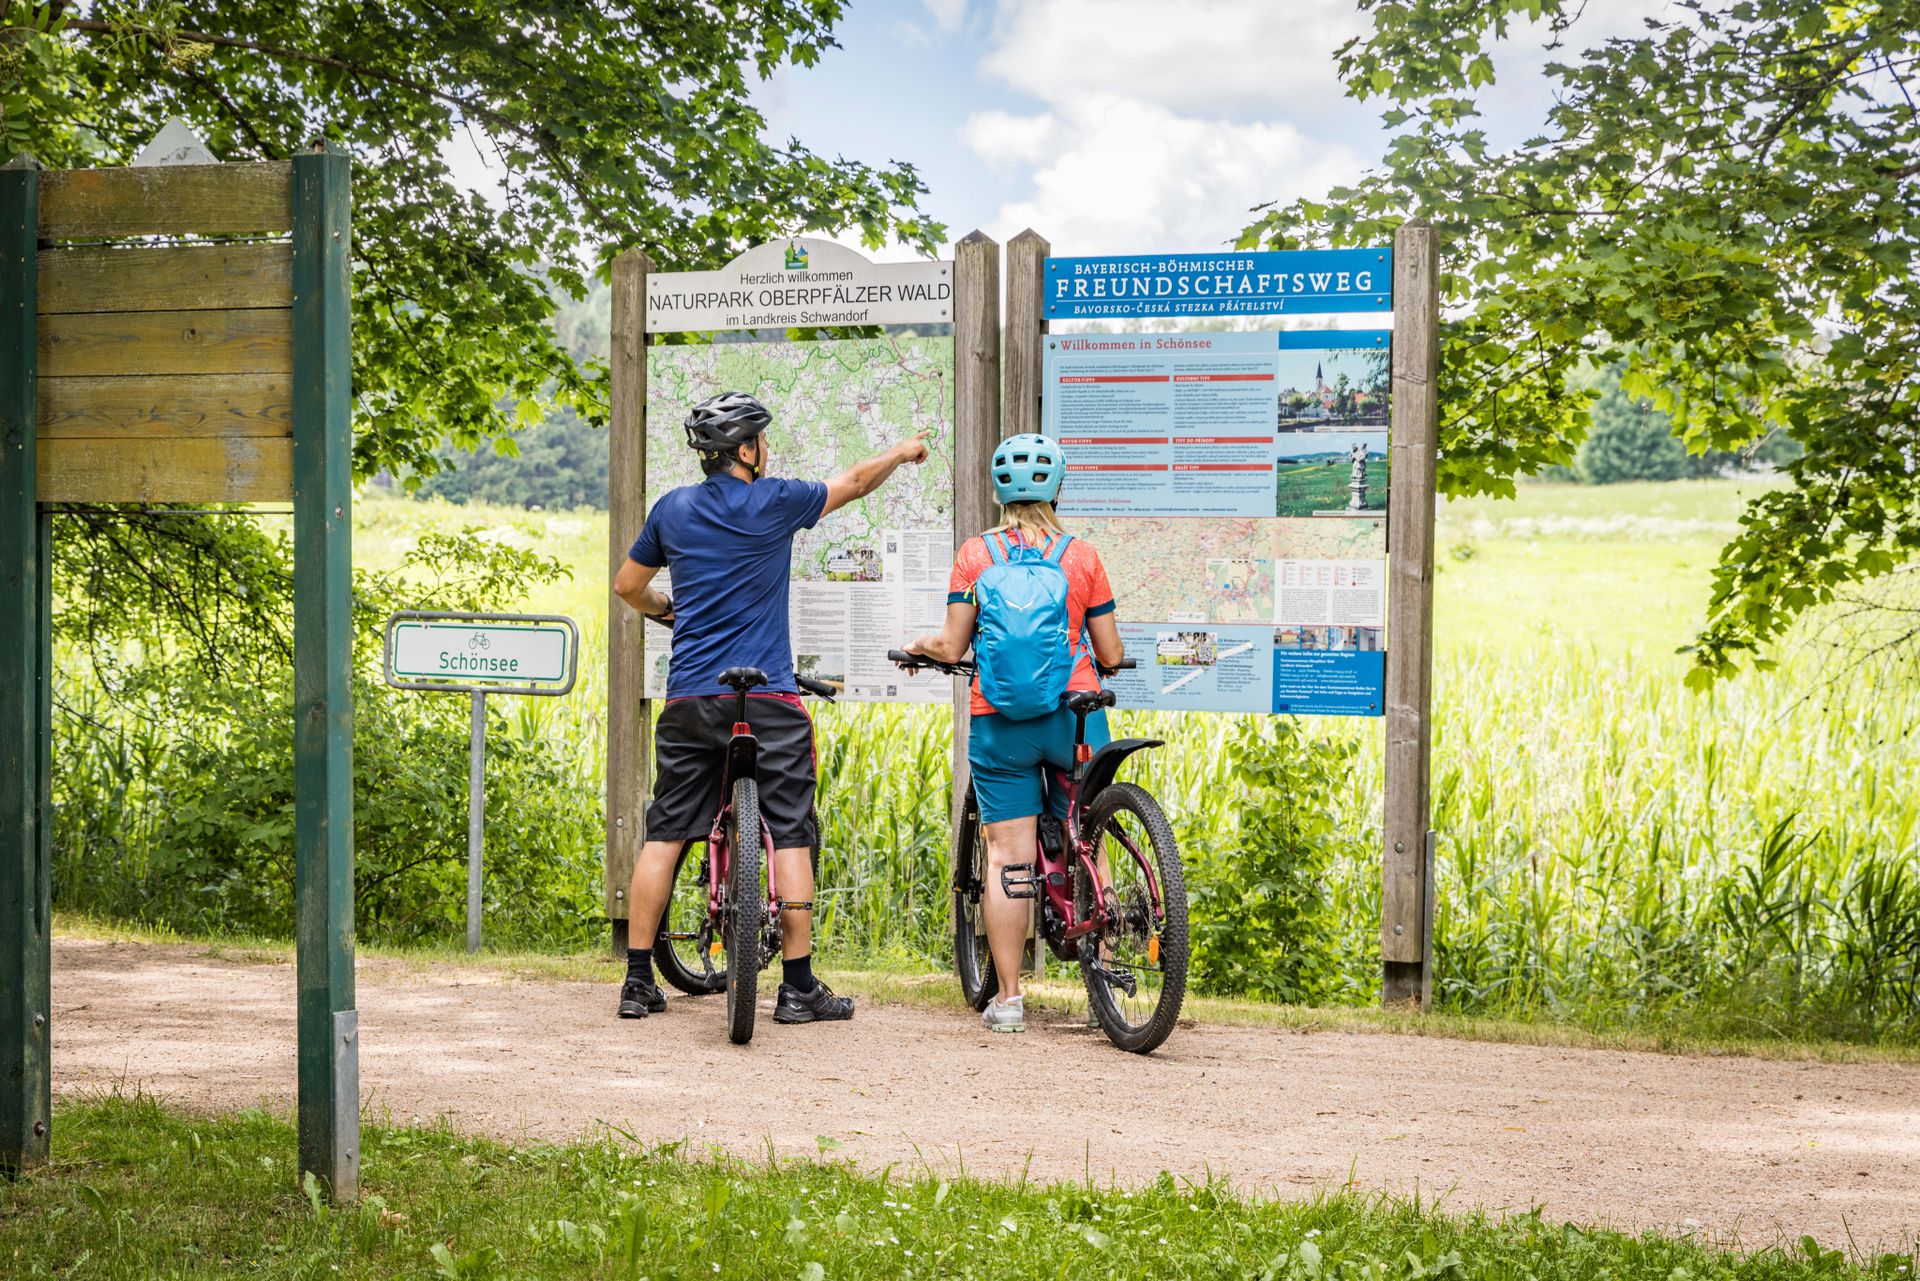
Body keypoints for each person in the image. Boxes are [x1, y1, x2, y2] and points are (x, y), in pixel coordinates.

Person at [612, 390, 929, 1025]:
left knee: (667, 831)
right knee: (791, 831)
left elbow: (627, 586)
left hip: (692, 696)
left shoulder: (671, 510)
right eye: (762, 440)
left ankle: (638, 979)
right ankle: (798, 987)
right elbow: (855, 483)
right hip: (770, 698)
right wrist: (900, 449)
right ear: (748, 450)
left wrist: (667, 611)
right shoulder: (778, 499)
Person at [902, 433, 1125, 1033]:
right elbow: (1110, 651)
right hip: (1074, 715)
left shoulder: (976, 555)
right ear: (1057, 487)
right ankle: (1106, 978)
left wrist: (922, 648)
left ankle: (1008, 1000)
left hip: (1000, 723)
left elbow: (952, 644)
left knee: (1006, 855)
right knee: (1091, 840)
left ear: (999, 491)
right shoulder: (1082, 557)